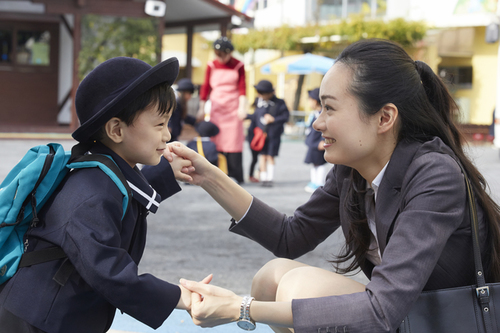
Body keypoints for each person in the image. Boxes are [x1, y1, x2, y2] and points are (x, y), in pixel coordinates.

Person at [169, 39, 500, 332]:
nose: (317, 123)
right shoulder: (352, 172)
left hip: (443, 319)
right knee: (271, 276)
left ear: (384, 118)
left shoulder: (434, 174)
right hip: (403, 316)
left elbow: (381, 309)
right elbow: (290, 237)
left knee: (299, 285)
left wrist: (239, 309)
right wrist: (209, 175)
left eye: (330, 108)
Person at [0, 56, 209, 333]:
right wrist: (178, 296)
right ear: (116, 130)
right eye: (159, 125)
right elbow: (107, 269)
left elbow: (128, 190)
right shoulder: (91, 192)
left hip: (56, 314)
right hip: (35, 320)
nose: (167, 135)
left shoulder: (103, 172)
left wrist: (168, 173)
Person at [197, 36, 247, 184]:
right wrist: (201, 108)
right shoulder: (211, 65)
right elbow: (205, 87)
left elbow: (242, 87)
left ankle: (235, 174)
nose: (219, 57)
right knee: (216, 139)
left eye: (222, 54)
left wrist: (242, 108)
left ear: (229, 53)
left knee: (233, 141)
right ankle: (216, 174)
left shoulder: (239, 65)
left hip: (233, 108)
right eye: (217, 54)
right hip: (217, 107)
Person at [247, 80, 289, 187]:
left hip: (274, 135)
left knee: (270, 156)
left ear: (270, 93)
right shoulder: (259, 103)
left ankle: (270, 177)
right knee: (262, 156)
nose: (259, 95)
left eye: (262, 93)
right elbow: (255, 117)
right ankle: (263, 178)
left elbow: (286, 116)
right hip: (261, 136)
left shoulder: (280, 103)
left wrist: (273, 119)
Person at [304, 87, 327, 193]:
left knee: (320, 163)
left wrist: (324, 141)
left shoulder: (322, 114)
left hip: (318, 144)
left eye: (310, 99)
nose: (309, 102)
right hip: (312, 143)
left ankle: (319, 183)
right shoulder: (314, 114)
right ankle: (314, 182)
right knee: (314, 163)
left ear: (315, 100)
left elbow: (326, 127)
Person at [168, 77, 197, 142]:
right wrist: (168, 126)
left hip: (174, 135)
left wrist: (196, 121)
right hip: (170, 134)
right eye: (189, 94)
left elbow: (184, 117)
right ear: (183, 93)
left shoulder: (181, 104)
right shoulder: (175, 103)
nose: (190, 96)